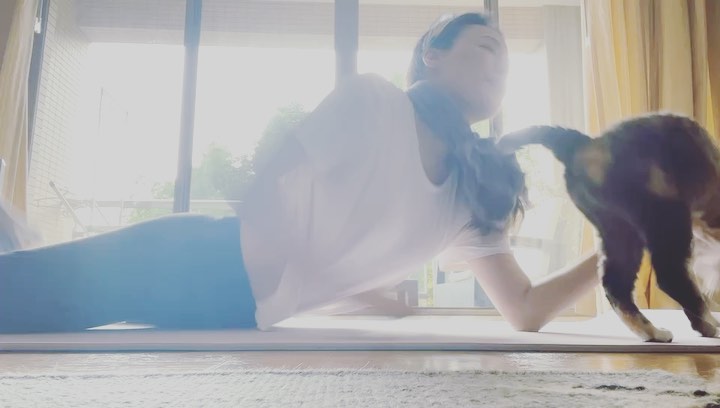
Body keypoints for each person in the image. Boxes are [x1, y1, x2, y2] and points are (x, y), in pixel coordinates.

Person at [0, 12, 599, 334]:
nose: (499, 68)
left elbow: (525, 310)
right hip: (194, 258)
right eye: (487, 47)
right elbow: (269, 184)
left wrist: (614, 252)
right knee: (17, 298)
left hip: (238, 314)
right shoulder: (374, 101)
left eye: (507, 64)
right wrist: (319, 278)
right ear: (432, 55)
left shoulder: (470, 197)